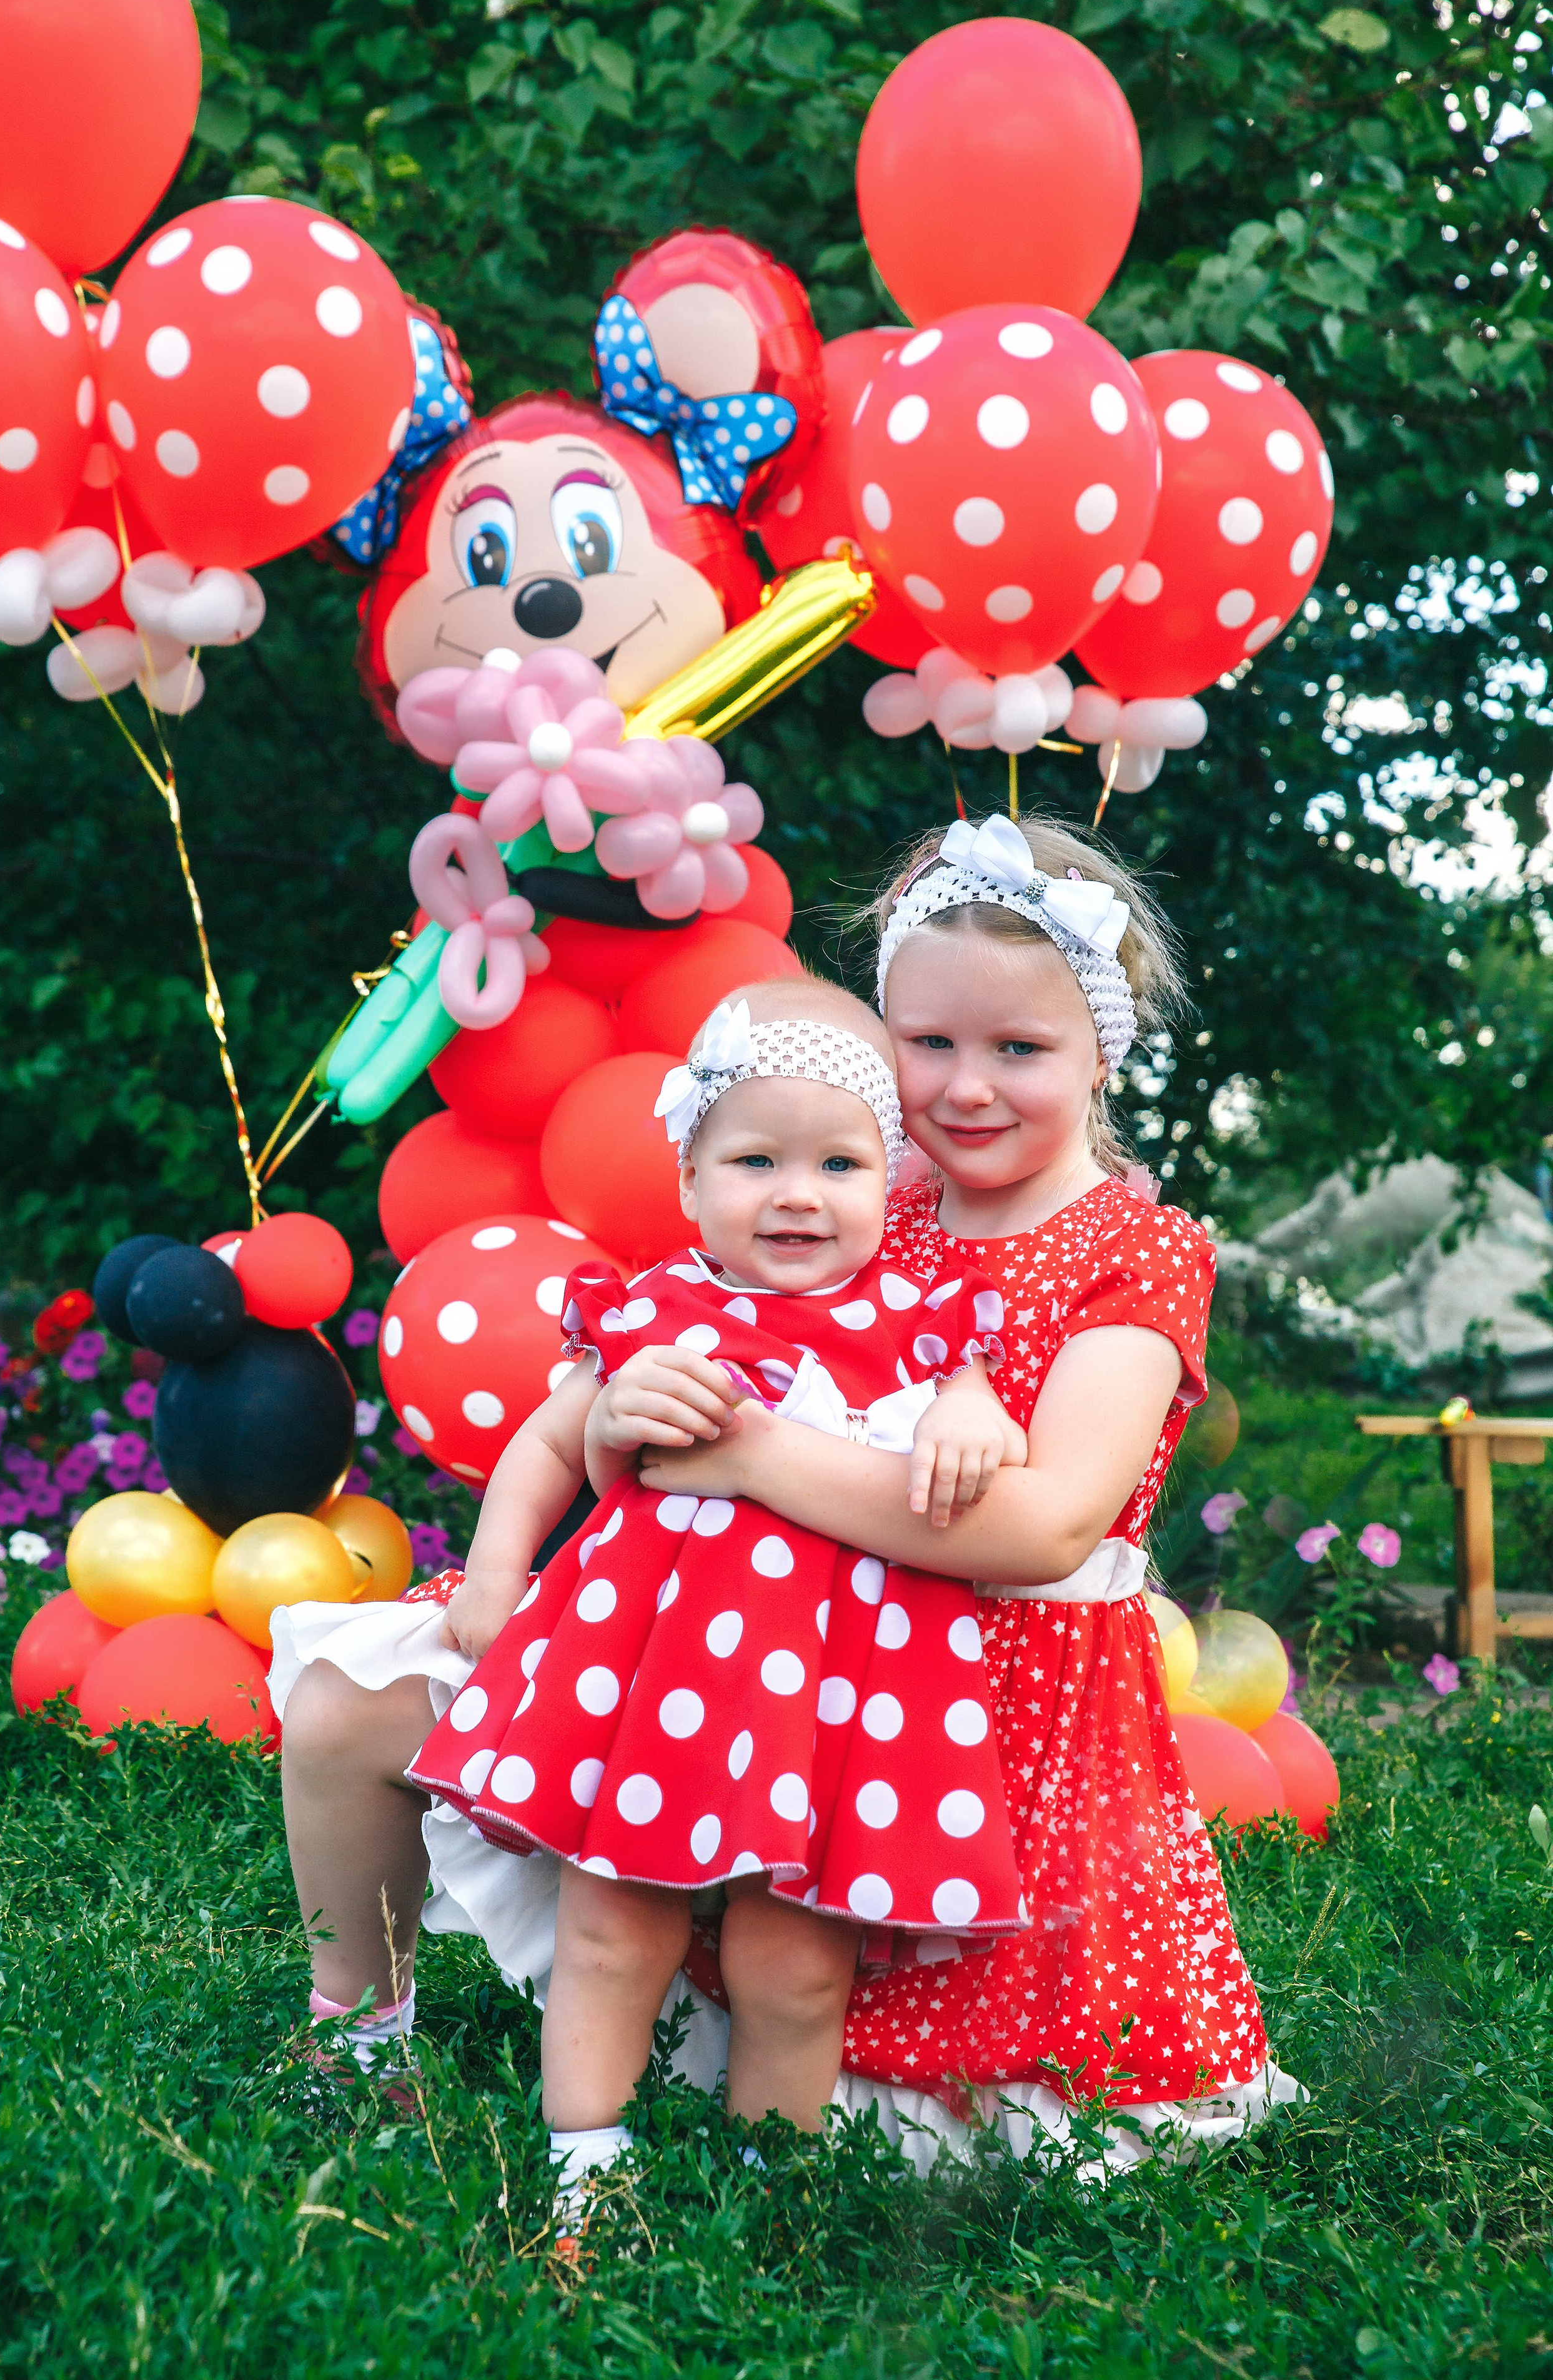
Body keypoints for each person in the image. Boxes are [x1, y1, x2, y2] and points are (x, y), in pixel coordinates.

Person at [275, 973, 1027, 2236]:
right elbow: (545, 1443)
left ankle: (767, 2187)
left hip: (841, 1703)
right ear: (687, 1182)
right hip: (653, 1688)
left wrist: (966, 1408)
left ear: (888, 1183)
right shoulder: (655, 1310)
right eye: (753, 1160)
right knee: (610, 1927)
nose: (796, 1194)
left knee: (793, 1966)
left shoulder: (920, 1320)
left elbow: (980, 1421)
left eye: (839, 1163)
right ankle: (586, 2169)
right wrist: (499, 1576)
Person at [628, 811, 1301, 2176]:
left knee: (965, 2004)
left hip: (1022, 1697)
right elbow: (725, 1338)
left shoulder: (1135, 1246)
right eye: (927, 1045)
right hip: (823, 1655)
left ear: (1099, 1052)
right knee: (775, 1944)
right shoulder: (873, 1197)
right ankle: (366, 2022)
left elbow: (1048, 1523)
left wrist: (753, 1453)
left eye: (1019, 1050)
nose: (966, 1087)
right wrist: (634, 1413)